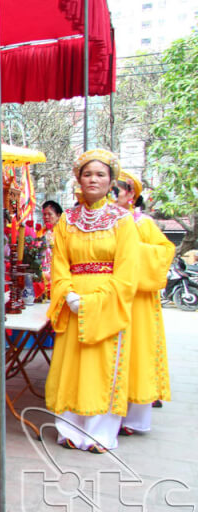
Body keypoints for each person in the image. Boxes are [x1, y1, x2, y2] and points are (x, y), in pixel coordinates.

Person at [46, 149, 140, 454]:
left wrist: (98, 300)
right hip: (72, 299)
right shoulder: (67, 221)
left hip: (107, 302)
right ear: (79, 179)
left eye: (100, 174)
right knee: (71, 366)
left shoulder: (123, 221)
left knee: (102, 366)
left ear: (110, 180)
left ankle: (100, 433)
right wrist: (67, 293)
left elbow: (127, 270)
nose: (93, 179)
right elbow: (59, 261)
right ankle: (69, 429)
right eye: (87, 174)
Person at [115, 170, 174, 433]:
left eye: (119, 189)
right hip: (111, 296)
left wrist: (130, 252)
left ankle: (134, 418)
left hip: (137, 301)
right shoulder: (103, 221)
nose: (113, 194)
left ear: (131, 195)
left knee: (136, 355)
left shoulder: (144, 224)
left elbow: (163, 253)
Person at [39, 200, 63, 288]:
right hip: (43, 269)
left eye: (49, 214)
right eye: (44, 214)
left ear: (58, 215)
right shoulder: (40, 233)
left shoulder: (63, 232)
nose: (46, 217)